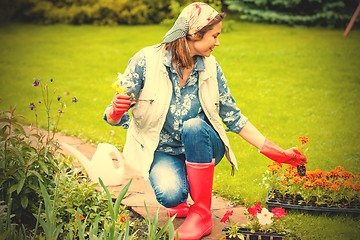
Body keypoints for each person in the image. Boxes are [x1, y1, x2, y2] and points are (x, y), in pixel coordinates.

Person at [104, 2, 307, 239]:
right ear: (194, 34)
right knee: (171, 194)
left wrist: (277, 152)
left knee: (193, 125)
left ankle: (201, 214)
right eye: (214, 35)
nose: (218, 42)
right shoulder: (146, 61)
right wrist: (116, 113)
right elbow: (116, 109)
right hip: (163, 149)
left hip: (203, 143)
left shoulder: (211, 68)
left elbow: (234, 117)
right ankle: (181, 190)